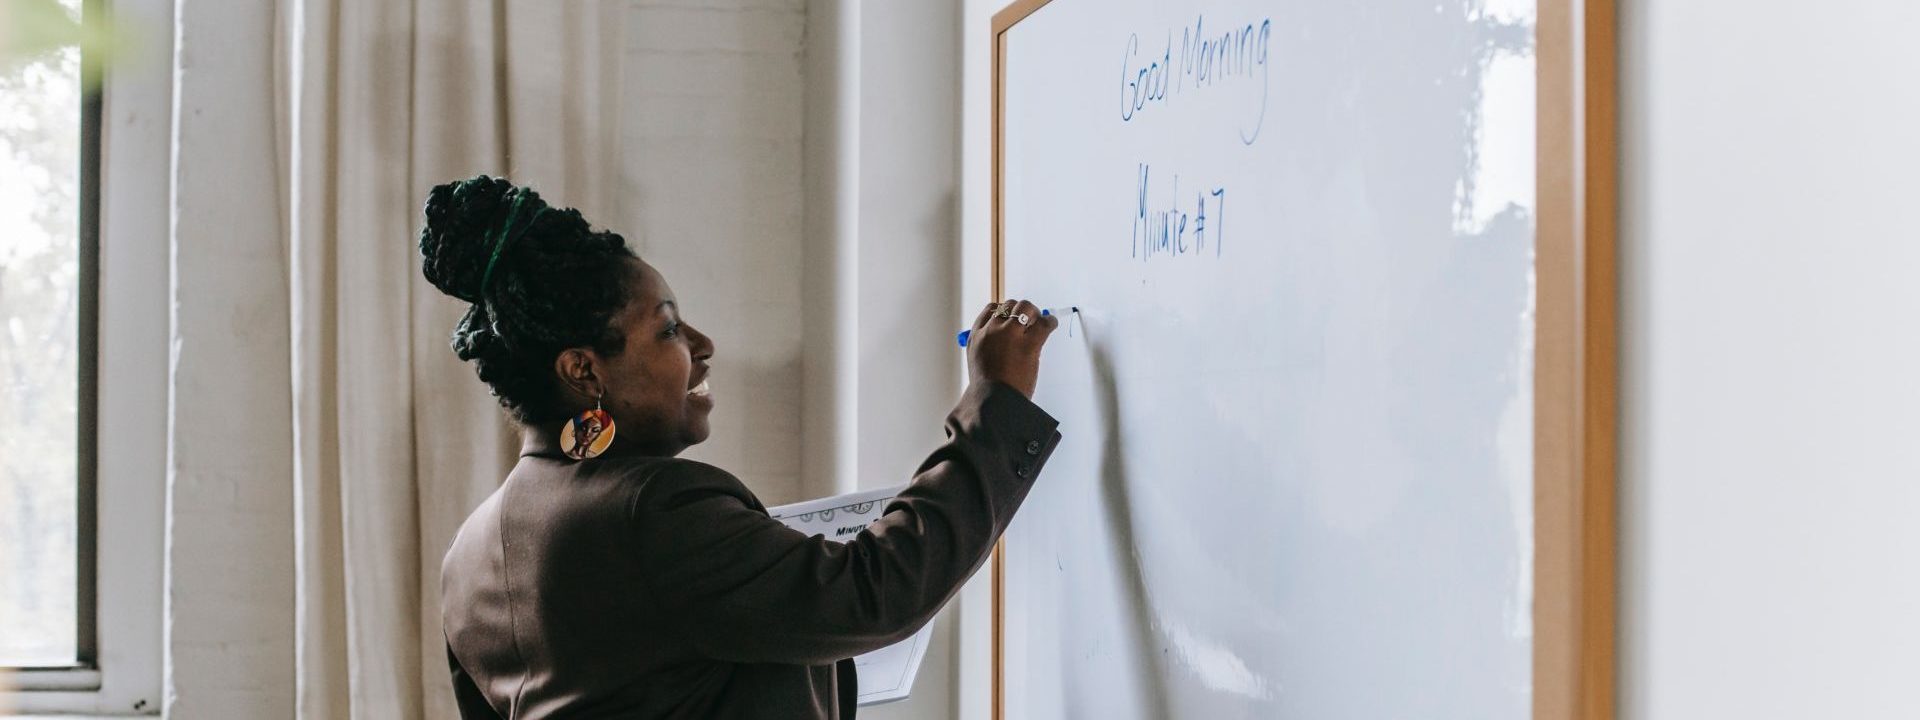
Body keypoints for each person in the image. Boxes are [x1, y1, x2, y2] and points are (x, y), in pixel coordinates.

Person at [421, 175, 1063, 719]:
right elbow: (877, 590)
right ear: (584, 371)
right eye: (668, 328)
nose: (701, 345)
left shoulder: (467, 559)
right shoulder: (653, 509)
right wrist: (996, 401)